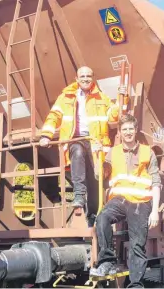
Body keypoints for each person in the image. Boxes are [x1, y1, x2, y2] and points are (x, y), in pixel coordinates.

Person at [39, 66, 125, 216]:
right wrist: (46, 135)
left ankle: (92, 217)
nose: (85, 78)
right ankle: (79, 196)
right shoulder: (65, 97)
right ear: (76, 79)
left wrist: (121, 98)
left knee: (95, 183)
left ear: (93, 78)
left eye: (89, 76)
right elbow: (54, 116)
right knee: (77, 151)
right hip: (76, 139)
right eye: (82, 76)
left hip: (95, 144)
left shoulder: (101, 97)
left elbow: (113, 116)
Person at [90, 114, 161, 288]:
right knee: (102, 218)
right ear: (120, 132)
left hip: (141, 203)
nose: (128, 132)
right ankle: (107, 261)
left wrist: (155, 211)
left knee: (137, 245)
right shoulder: (113, 152)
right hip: (120, 200)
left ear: (135, 130)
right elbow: (100, 175)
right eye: (124, 129)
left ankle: (135, 285)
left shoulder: (147, 152)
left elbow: (156, 182)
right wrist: (97, 154)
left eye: (131, 129)